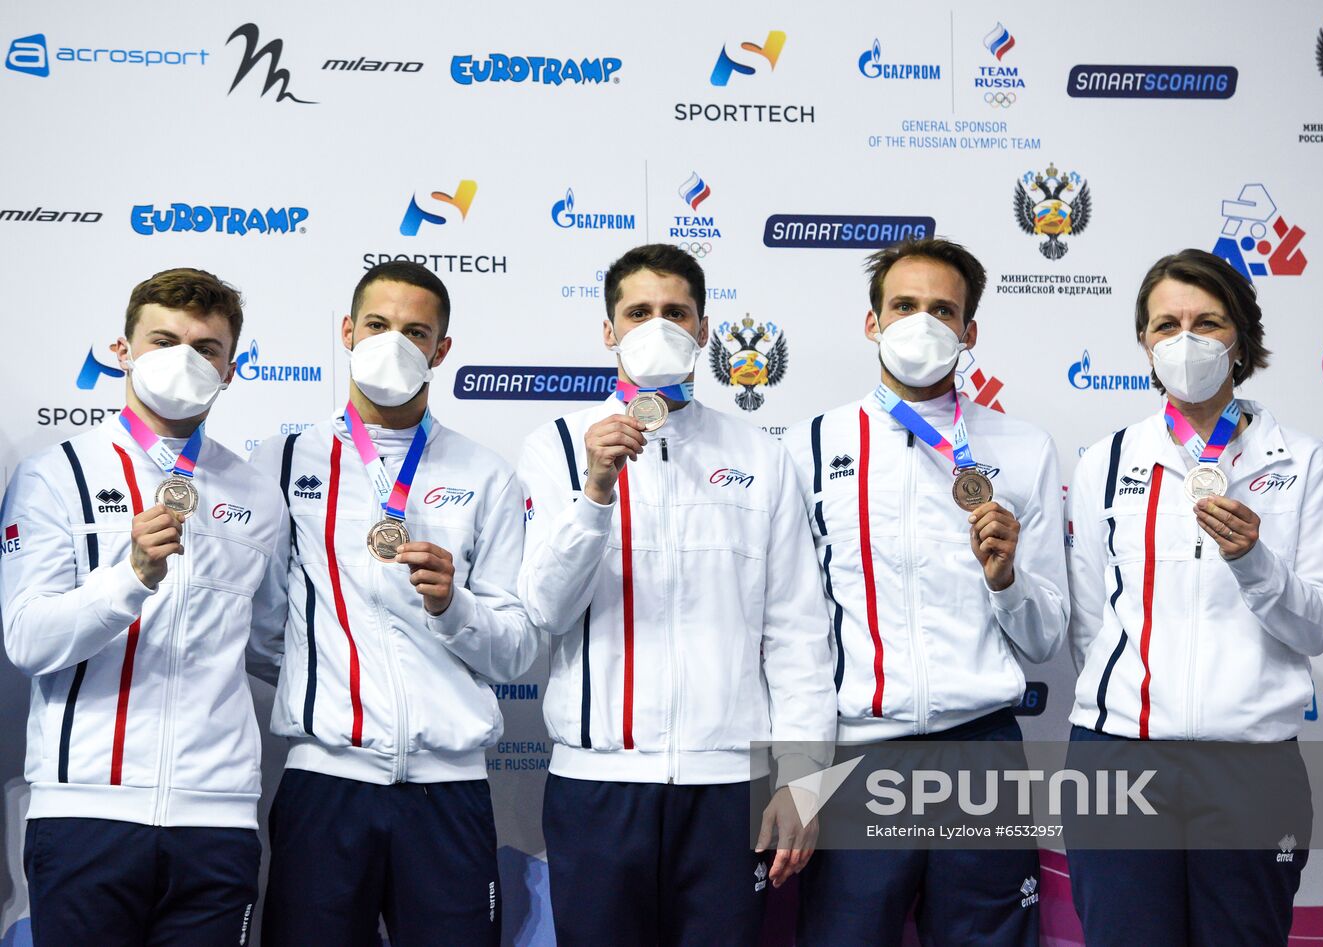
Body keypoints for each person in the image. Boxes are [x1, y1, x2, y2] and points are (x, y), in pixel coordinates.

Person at [516, 242, 836, 946]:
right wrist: (596, 489)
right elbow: (542, 609)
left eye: (675, 311)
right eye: (638, 312)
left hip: (729, 792)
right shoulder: (557, 448)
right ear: (608, 331)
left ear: (703, 329)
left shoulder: (758, 455)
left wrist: (806, 781)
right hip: (597, 787)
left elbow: (798, 634)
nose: (657, 326)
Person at [788, 238, 1069, 946]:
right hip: (856, 757)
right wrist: (793, 774)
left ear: (970, 332)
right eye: (904, 305)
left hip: (981, 753)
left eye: (942, 310)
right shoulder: (808, 447)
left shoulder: (1024, 447)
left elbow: (1044, 638)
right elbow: (788, 630)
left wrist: (1006, 580)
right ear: (872, 322)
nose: (922, 323)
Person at [249, 261, 538, 947]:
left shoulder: (485, 473)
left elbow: (518, 647)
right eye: (377, 325)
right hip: (326, 783)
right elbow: (261, 631)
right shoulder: (283, 461)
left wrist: (454, 609)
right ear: (347, 331)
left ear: (441, 351)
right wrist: (328, 683)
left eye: (416, 332)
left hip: (451, 791)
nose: (393, 343)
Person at [1065, 248, 1323, 945]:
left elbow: (1320, 626)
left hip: (1252, 764)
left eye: (1207, 322)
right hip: (1119, 759)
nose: (1185, 341)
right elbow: (1093, 624)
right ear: (1144, 342)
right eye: (1167, 324)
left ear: (1241, 340)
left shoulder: (1302, 461)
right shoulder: (1106, 460)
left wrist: (1255, 561)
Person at [0, 268, 284, 945]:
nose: (184, 359)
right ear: (122, 350)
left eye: (206, 347)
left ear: (231, 369)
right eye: (163, 339)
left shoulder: (257, 493)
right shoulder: (55, 474)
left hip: (217, 821)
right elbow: (28, 639)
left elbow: (272, 643)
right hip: (85, 817)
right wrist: (129, 575)